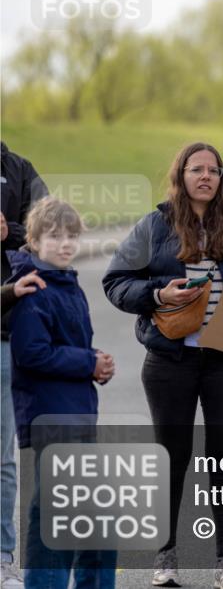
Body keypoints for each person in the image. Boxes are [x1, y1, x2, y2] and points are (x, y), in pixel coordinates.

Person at [102, 143, 223, 589]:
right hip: (171, 361)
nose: (205, 176)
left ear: (221, 178)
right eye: (196, 169)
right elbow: (115, 281)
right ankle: (164, 558)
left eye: (213, 170)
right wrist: (157, 295)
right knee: (172, 459)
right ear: (181, 175)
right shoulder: (155, 226)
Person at [7, 197, 117, 589]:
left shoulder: (66, 283)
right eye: (54, 236)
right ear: (34, 241)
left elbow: (67, 345)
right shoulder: (34, 288)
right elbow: (31, 353)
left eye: (71, 236)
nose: (65, 243)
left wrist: (96, 361)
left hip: (77, 410)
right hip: (50, 414)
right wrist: (87, 363)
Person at [2, 142, 48, 589]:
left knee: (2, 455)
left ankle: (2, 557)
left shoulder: (18, 169)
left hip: (4, 331)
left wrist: (10, 231)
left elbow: (52, 233)